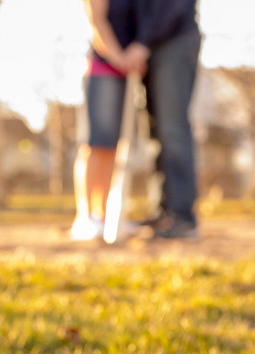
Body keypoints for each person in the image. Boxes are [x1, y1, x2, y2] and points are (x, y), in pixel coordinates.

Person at [71, 0, 201, 240]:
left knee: (172, 129)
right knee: (152, 132)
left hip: (169, 37)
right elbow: (98, 18)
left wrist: (142, 43)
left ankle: (181, 216)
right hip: (134, 51)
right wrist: (129, 51)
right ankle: (162, 211)